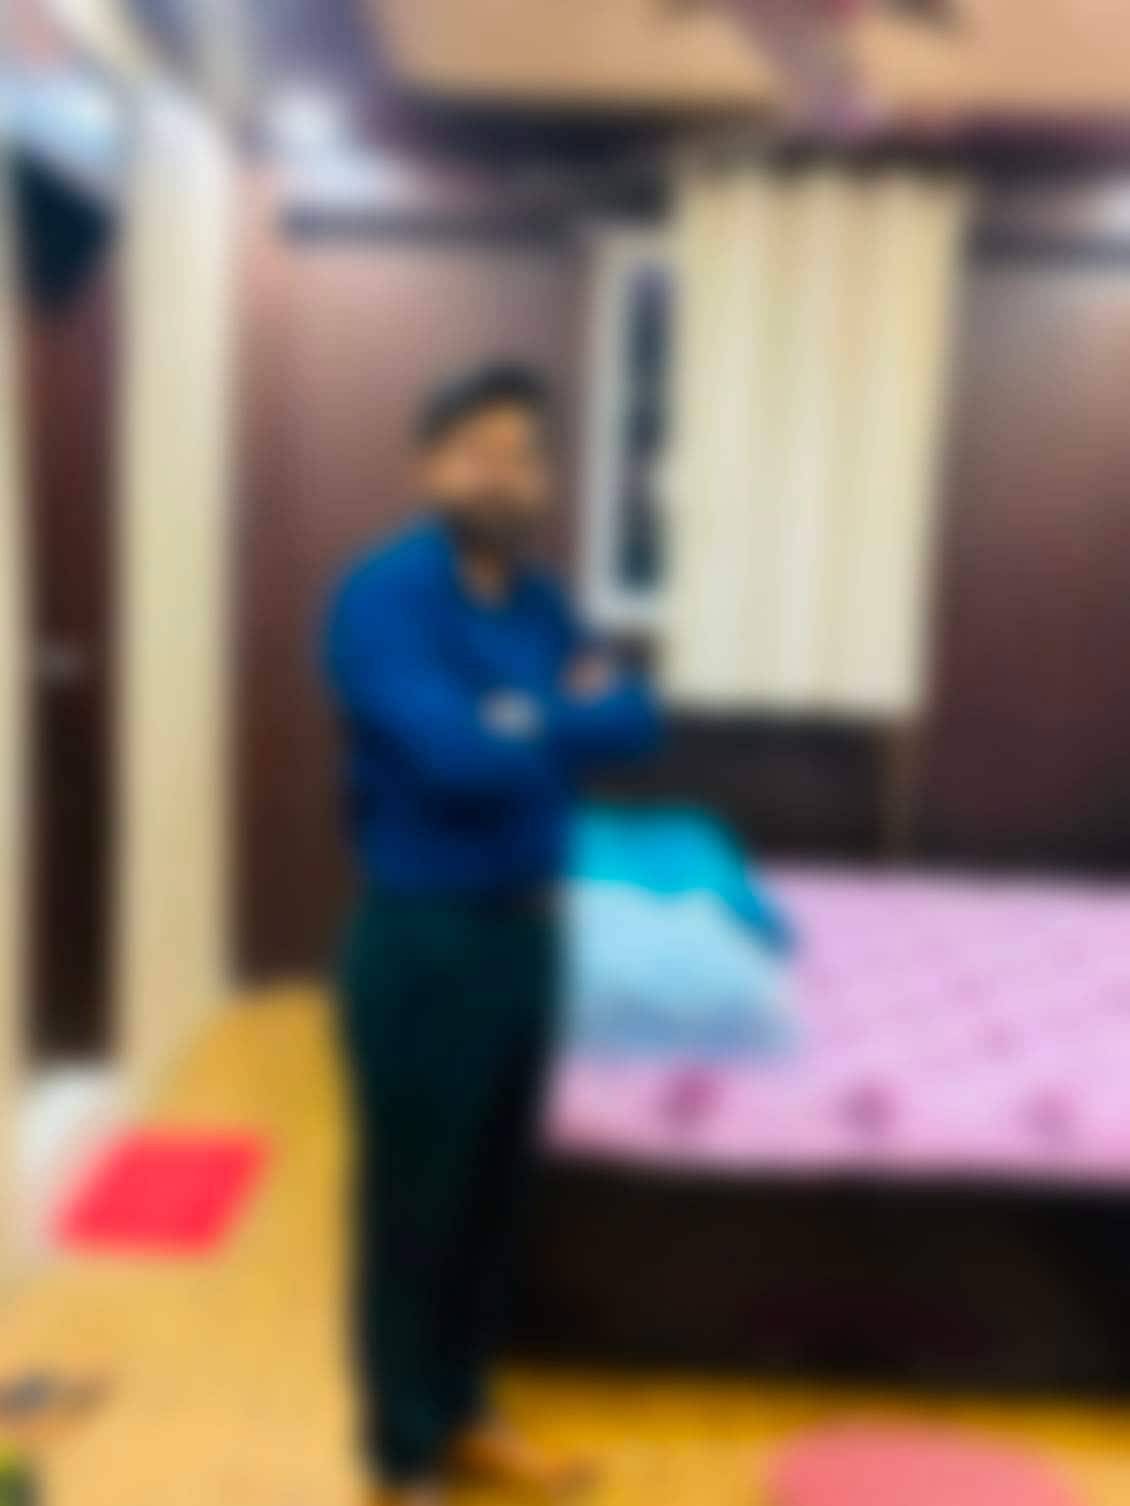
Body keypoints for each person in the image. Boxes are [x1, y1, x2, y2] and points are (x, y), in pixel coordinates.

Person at [323, 362, 660, 1505]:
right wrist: (558, 719)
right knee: (412, 1210)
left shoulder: (542, 602)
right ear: (428, 467)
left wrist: (526, 718)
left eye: (519, 454)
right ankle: (400, 1455)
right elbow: (451, 759)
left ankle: (464, 1412)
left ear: (542, 477)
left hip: (527, 939)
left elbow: (635, 720)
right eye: (473, 450)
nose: (498, 473)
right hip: (424, 943)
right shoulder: (381, 598)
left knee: (490, 1202)